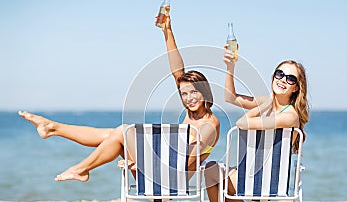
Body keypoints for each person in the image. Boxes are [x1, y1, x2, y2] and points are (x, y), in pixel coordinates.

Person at [18, 13, 219, 183]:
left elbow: (188, 164)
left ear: (205, 92)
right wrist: (168, 31)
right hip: (154, 173)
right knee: (113, 134)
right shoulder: (192, 114)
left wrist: (141, 160)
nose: (189, 98)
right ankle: (53, 128)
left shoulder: (210, 125)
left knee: (124, 131)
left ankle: (80, 168)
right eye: (184, 94)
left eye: (194, 92)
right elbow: (178, 72)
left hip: (167, 183)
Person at [205, 46, 310, 202]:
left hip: (265, 180)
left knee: (211, 173)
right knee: (213, 172)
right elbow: (230, 98)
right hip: (253, 175)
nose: (283, 80)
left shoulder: (290, 115)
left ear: (296, 88)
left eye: (290, 78)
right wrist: (230, 67)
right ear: (273, 77)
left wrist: (268, 102)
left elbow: (242, 122)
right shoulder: (269, 104)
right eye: (279, 74)